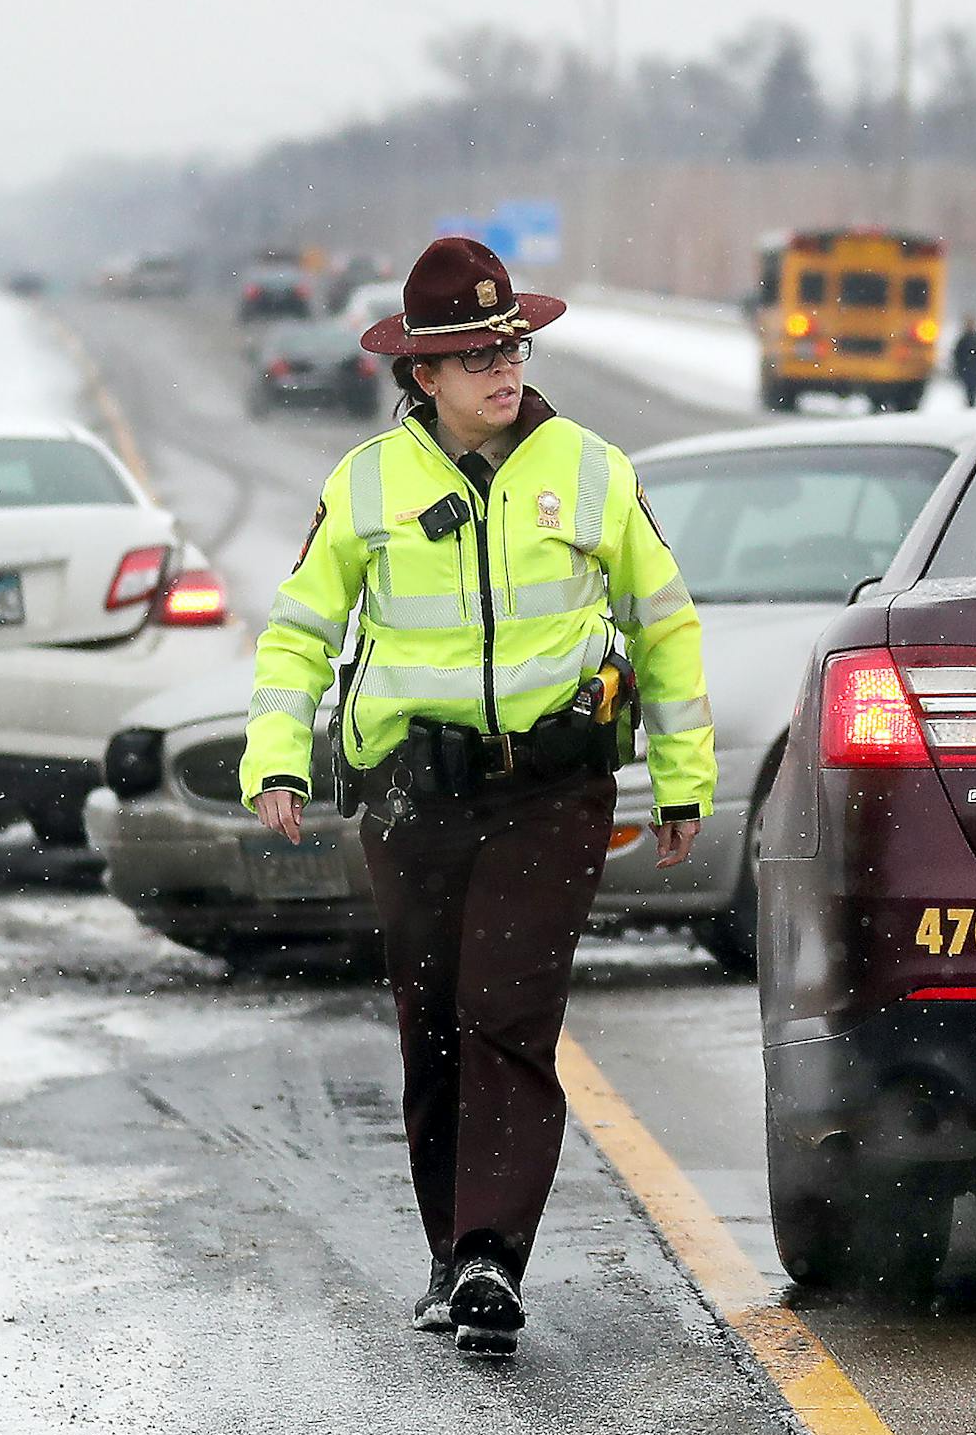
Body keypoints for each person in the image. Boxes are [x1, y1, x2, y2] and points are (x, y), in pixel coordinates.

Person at [239, 237, 717, 1357]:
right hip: (413, 797)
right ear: (424, 376)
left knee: (507, 1008)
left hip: (554, 789)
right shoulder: (365, 485)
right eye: (475, 354)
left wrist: (686, 774)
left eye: (512, 346)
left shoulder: (592, 468)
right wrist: (276, 754)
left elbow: (666, 621)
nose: (503, 368)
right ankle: (452, 1252)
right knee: (433, 1020)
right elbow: (300, 631)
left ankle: (495, 1252)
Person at [952, 315, 976, 406]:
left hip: (975, 370)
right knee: (969, 389)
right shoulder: (964, 340)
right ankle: (971, 404)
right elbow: (957, 355)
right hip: (967, 370)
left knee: (974, 389)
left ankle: (972, 404)